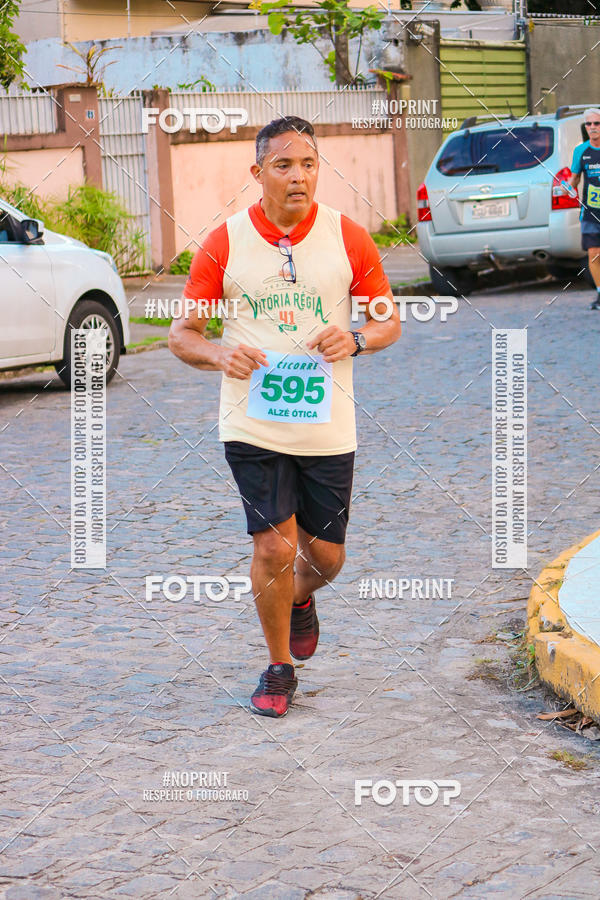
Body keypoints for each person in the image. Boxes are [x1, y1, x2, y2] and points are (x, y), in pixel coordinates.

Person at [168, 116, 401, 717]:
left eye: (308, 164)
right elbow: (182, 333)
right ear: (258, 172)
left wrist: (357, 338)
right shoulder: (224, 242)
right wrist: (220, 352)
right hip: (254, 423)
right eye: (283, 165)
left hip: (327, 424)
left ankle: (300, 599)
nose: (299, 176)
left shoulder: (349, 238)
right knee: (273, 547)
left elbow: (387, 322)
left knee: (326, 558)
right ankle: (278, 667)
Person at [565, 108, 600, 310]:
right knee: (594, 254)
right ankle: (599, 293)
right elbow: (575, 178)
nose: (593, 128)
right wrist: (569, 187)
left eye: (597, 123)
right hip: (590, 212)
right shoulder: (581, 151)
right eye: (589, 124)